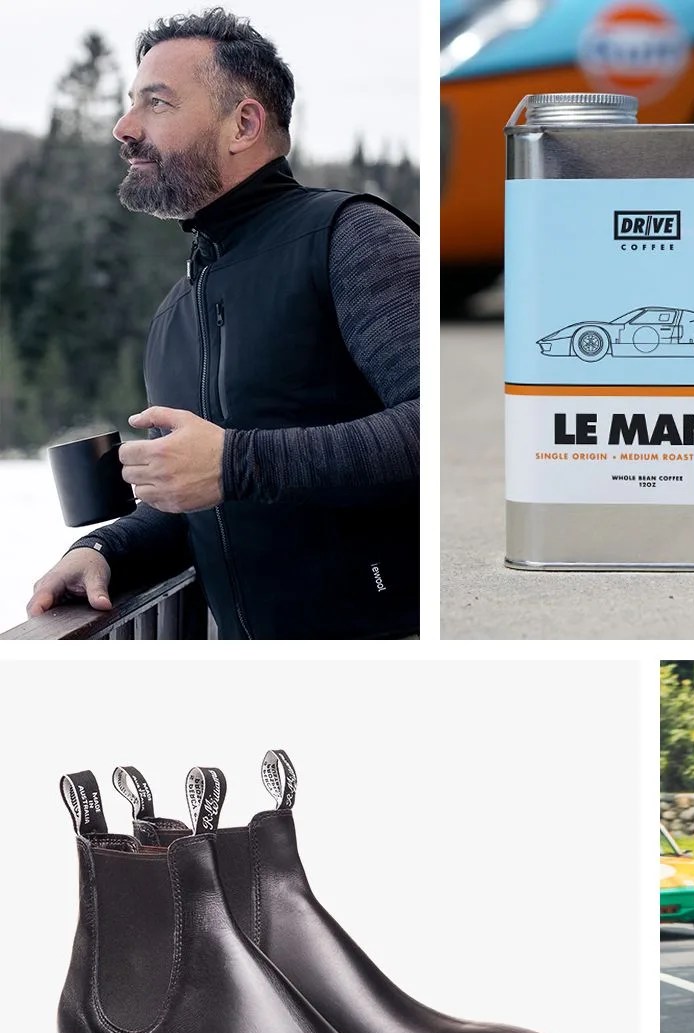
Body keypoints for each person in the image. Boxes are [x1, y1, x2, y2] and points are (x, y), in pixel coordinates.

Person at [26, 8, 418, 638]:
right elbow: (201, 497)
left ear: (243, 123)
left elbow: (442, 428)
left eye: (156, 104)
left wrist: (236, 463)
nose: (125, 128)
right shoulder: (177, 309)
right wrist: (106, 549)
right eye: (130, 105)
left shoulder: (350, 236)